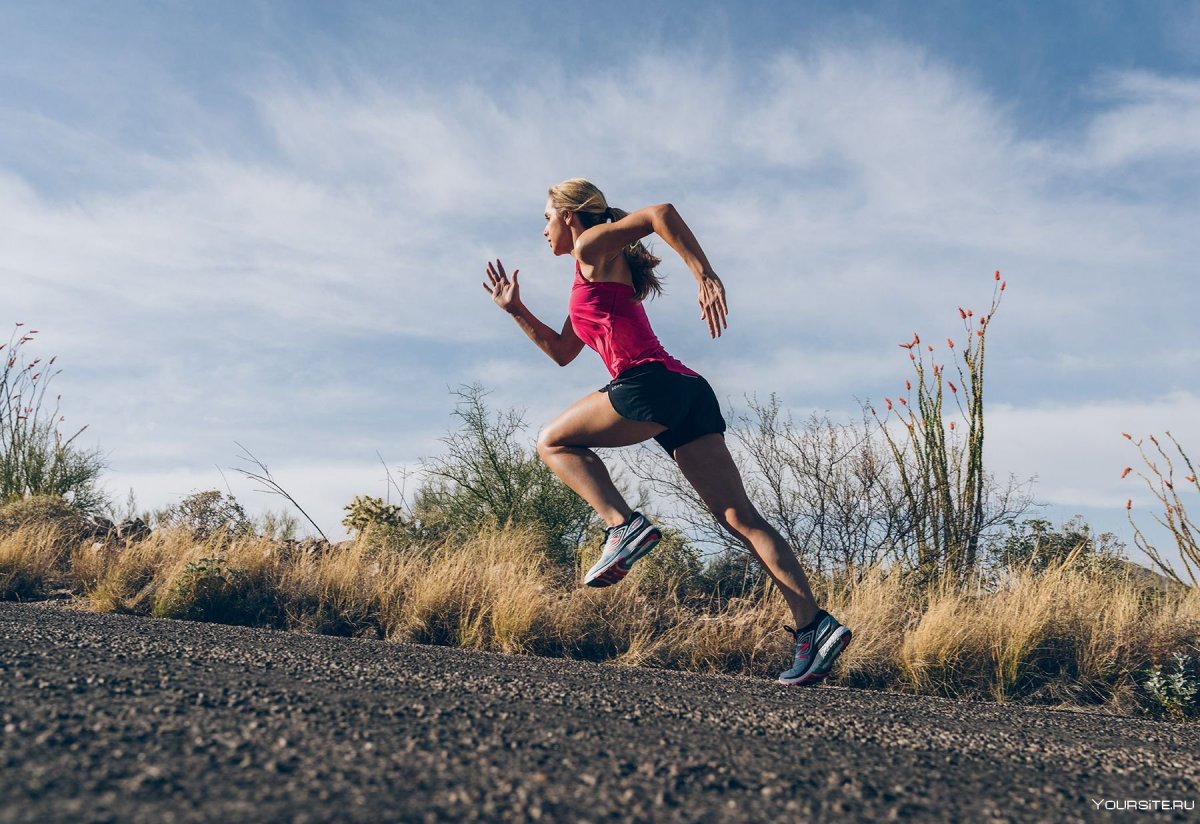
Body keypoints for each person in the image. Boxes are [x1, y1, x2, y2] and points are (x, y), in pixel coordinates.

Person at [482, 178, 851, 686]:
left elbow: (660, 212)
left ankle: (622, 526)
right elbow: (563, 352)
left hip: (648, 383)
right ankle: (814, 627)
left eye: (546, 217)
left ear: (570, 216)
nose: (543, 230)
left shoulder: (591, 245)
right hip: (687, 391)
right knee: (740, 518)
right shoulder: (588, 275)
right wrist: (515, 309)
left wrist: (705, 274)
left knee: (553, 441)